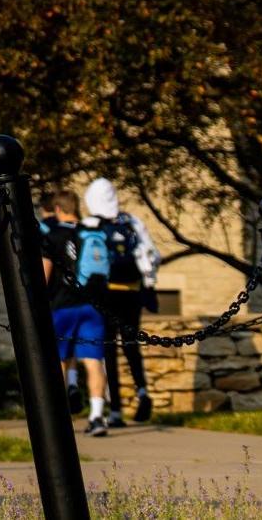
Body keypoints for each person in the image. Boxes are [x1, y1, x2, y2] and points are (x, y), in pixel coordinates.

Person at [84, 178, 161, 425]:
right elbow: (150, 254)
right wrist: (149, 283)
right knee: (131, 345)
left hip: (106, 293)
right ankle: (142, 391)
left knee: (108, 350)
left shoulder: (91, 225)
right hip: (133, 291)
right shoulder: (131, 222)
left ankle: (115, 409)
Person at [43, 190, 110, 437]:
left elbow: (44, 276)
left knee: (59, 360)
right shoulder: (92, 233)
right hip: (93, 306)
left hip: (63, 306)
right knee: (93, 362)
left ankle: (60, 421)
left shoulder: (54, 236)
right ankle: (97, 415)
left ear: (57, 209)